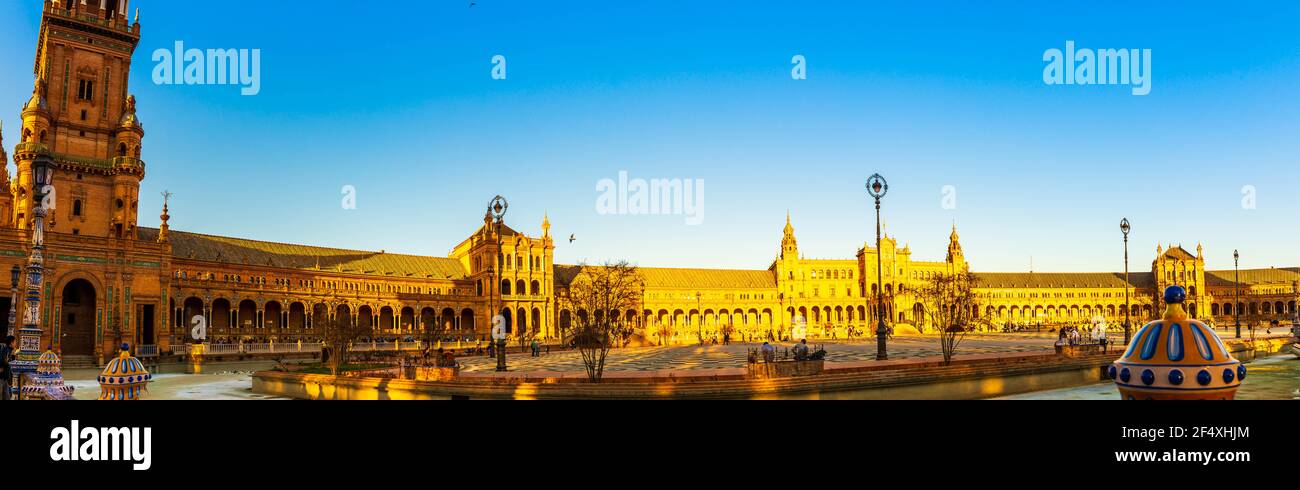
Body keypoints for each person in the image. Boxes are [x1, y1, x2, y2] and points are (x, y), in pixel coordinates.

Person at [0, 336, 14, 401]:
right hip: (1, 376)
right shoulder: (6, 350)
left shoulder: (8, 350)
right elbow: (3, 360)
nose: (15, 343)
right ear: (11, 342)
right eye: (15, 342)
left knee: (7, 395)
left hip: (5, 377)